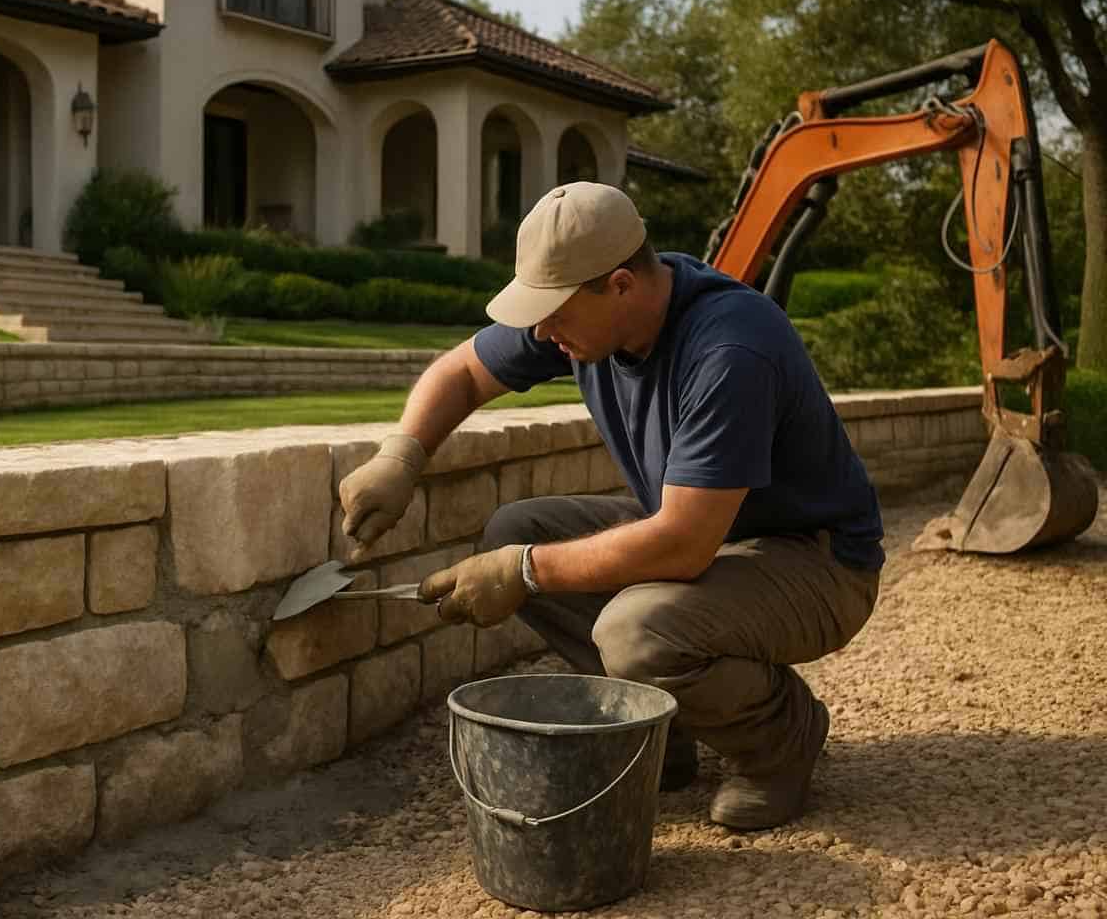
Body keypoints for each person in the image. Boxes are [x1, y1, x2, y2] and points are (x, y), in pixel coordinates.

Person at [338, 181, 883, 831]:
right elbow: (458, 371)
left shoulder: (729, 349)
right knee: (517, 529)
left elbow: (682, 544)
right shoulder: (581, 314)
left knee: (635, 630)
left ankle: (781, 742)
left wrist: (525, 571)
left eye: (553, 313)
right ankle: (660, 734)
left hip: (816, 562)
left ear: (621, 284)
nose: (540, 330)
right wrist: (401, 456)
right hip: (718, 539)